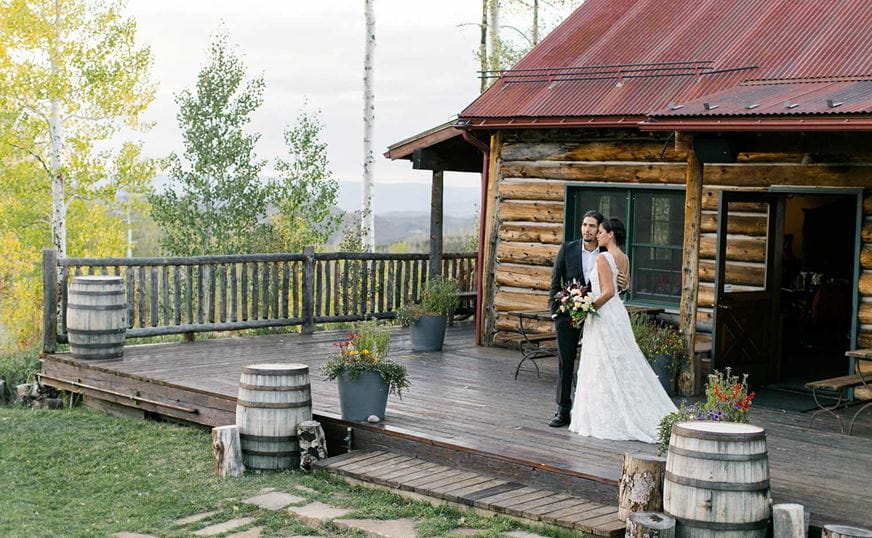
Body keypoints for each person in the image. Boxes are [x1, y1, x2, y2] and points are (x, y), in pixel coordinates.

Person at [568, 218, 677, 442]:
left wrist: (588, 308)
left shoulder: (602, 257)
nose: (597, 235)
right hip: (617, 313)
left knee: (602, 362)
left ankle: (610, 415)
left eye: (600, 232)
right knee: (621, 360)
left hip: (604, 313)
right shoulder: (624, 257)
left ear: (611, 235)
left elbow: (608, 291)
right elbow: (624, 286)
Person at [547, 210, 603, 428]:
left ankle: (588, 411)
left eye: (592, 226)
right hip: (567, 315)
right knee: (566, 361)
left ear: (599, 230)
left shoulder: (605, 253)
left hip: (596, 315)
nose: (587, 229)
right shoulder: (567, 248)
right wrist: (556, 312)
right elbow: (555, 281)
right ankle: (562, 410)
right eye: (584, 225)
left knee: (593, 362)